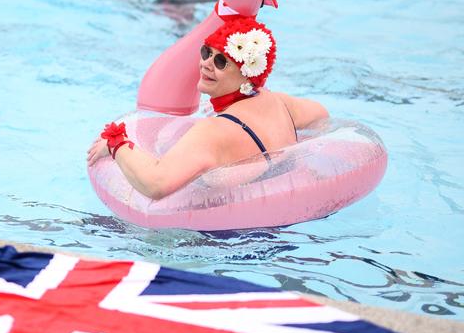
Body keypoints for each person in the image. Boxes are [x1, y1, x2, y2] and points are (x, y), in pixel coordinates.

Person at [87, 14, 327, 200]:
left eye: (221, 61)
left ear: (248, 75)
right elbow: (321, 114)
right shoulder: (278, 102)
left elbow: (155, 184)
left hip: (223, 241)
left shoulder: (214, 131)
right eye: (206, 52)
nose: (206, 64)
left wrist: (116, 143)